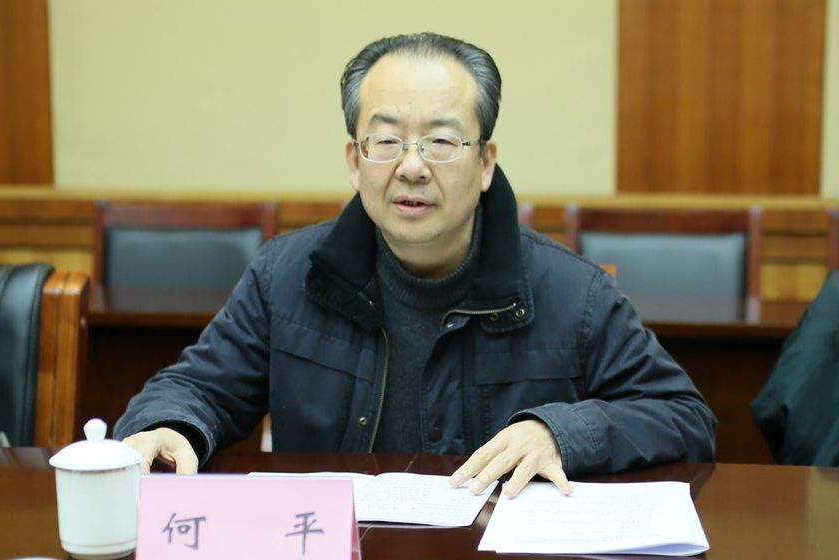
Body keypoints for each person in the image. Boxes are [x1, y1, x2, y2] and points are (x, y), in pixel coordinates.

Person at [115, 32, 716, 498]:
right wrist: (170, 426)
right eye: (386, 141)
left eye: (441, 141)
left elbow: (683, 417)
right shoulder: (287, 275)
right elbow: (196, 388)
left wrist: (558, 434)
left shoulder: (570, 292)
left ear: (485, 163)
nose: (411, 166)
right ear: (356, 162)